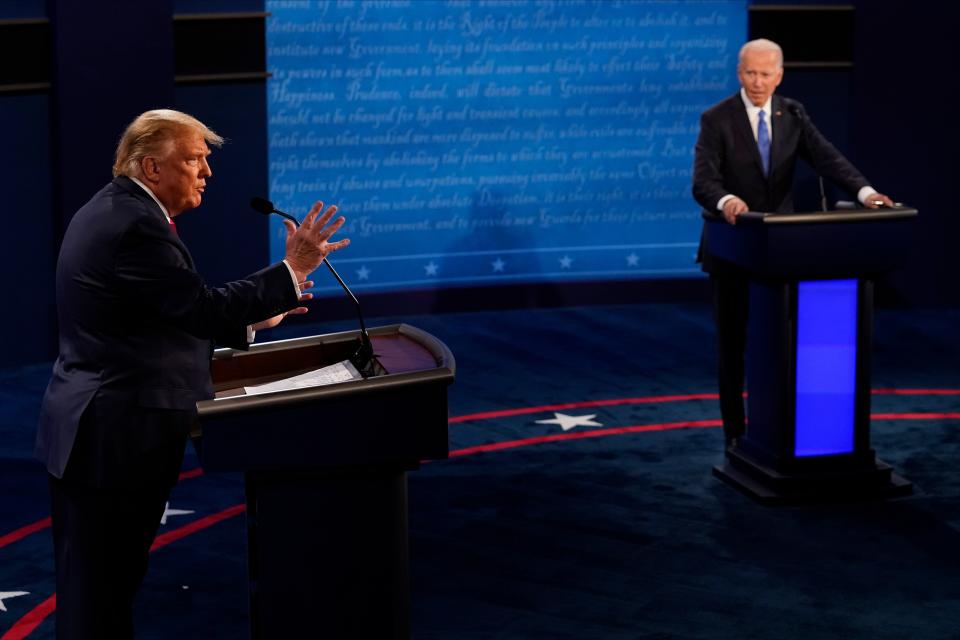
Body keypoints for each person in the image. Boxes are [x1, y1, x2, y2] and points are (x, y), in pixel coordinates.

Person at [35, 109, 349, 639]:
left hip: (98, 425)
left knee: (99, 588)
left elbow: (158, 317)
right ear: (152, 167)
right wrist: (291, 271)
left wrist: (253, 318)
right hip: (116, 432)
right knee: (102, 591)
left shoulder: (118, 210)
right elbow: (197, 308)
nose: (206, 173)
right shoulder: (136, 226)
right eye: (195, 160)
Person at [692, 39, 893, 447]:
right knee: (733, 348)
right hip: (732, 248)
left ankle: (778, 431)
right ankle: (736, 435)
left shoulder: (793, 114)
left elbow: (828, 158)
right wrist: (727, 200)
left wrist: (866, 193)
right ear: (739, 72)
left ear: (779, 75)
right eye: (750, 72)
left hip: (781, 253)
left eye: (766, 74)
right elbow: (703, 182)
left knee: (779, 344)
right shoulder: (717, 119)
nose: (758, 82)